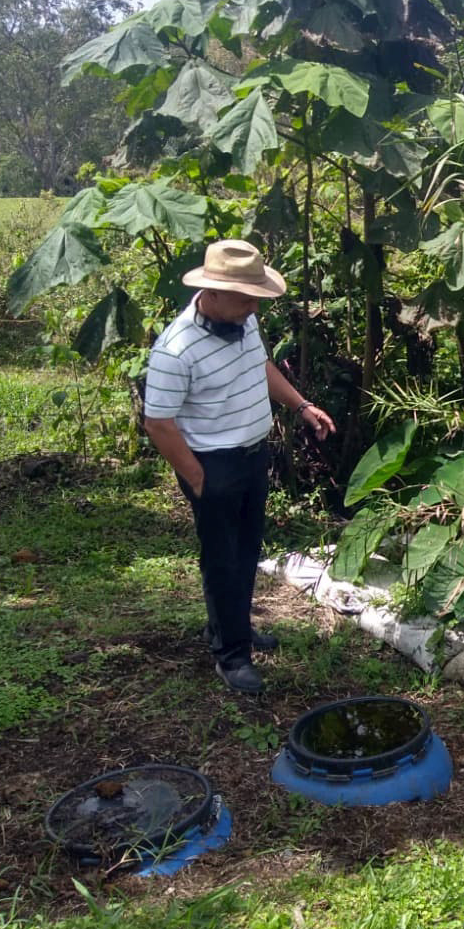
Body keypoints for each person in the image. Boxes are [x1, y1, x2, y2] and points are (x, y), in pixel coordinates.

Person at [142, 239, 336, 694]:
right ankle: (230, 656)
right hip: (213, 465)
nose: (254, 306)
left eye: (256, 297)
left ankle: (232, 629)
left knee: (246, 550)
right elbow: (158, 423)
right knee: (223, 559)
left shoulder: (243, 322)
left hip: (252, 455)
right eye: (246, 297)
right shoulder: (175, 349)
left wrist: (301, 405)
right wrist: (197, 477)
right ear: (212, 292)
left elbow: (261, 367)